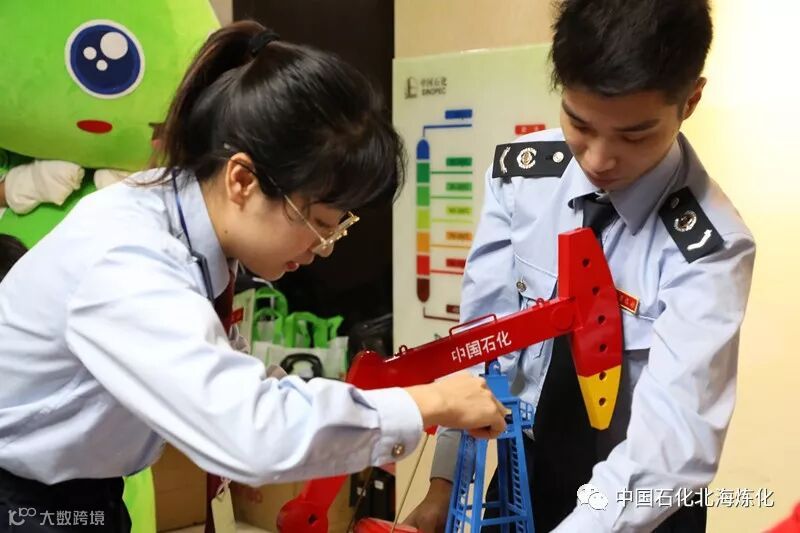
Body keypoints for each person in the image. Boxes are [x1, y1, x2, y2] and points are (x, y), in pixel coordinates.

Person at [0, 21, 508, 533]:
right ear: (242, 180)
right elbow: (248, 429)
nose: (323, 247)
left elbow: (238, 381)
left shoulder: (192, 235)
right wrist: (429, 403)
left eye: (338, 227)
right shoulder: (127, 259)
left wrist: (358, 411)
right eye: (318, 222)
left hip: (82, 492)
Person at [404, 1, 756, 531]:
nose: (597, 159)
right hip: (525, 475)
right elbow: (481, 345)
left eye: (634, 135)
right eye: (578, 123)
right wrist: (446, 484)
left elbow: (671, 444)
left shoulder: (710, 246)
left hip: (644, 502)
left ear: (690, 101)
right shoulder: (521, 179)